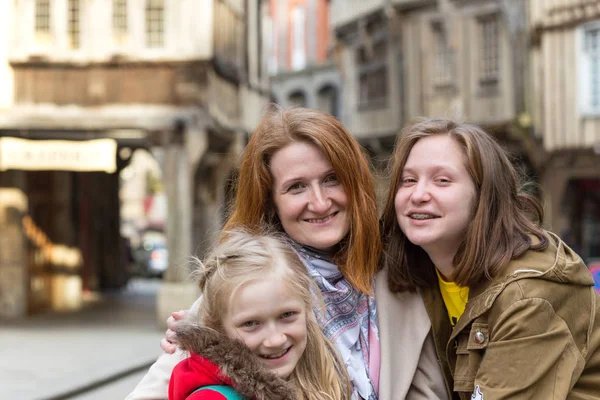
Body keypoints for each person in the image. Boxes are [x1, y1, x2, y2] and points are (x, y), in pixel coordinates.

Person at [126, 106, 448, 400]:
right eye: (297, 187)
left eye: (332, 179)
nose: (320, 203)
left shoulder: (404, 272)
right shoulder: (242, 285)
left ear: (355, 183)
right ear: (271, 202)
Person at [380, 118, 600, 399]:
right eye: (408, 180)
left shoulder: (530, 296)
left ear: (483, 196)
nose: (418, 194)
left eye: (442, 180)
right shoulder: (418, 272)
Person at [169, 229, 350, 400]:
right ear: (216, 327)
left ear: (307, 310)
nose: (275, 340)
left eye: (287, 314)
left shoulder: (318, 376)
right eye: (251, 323)